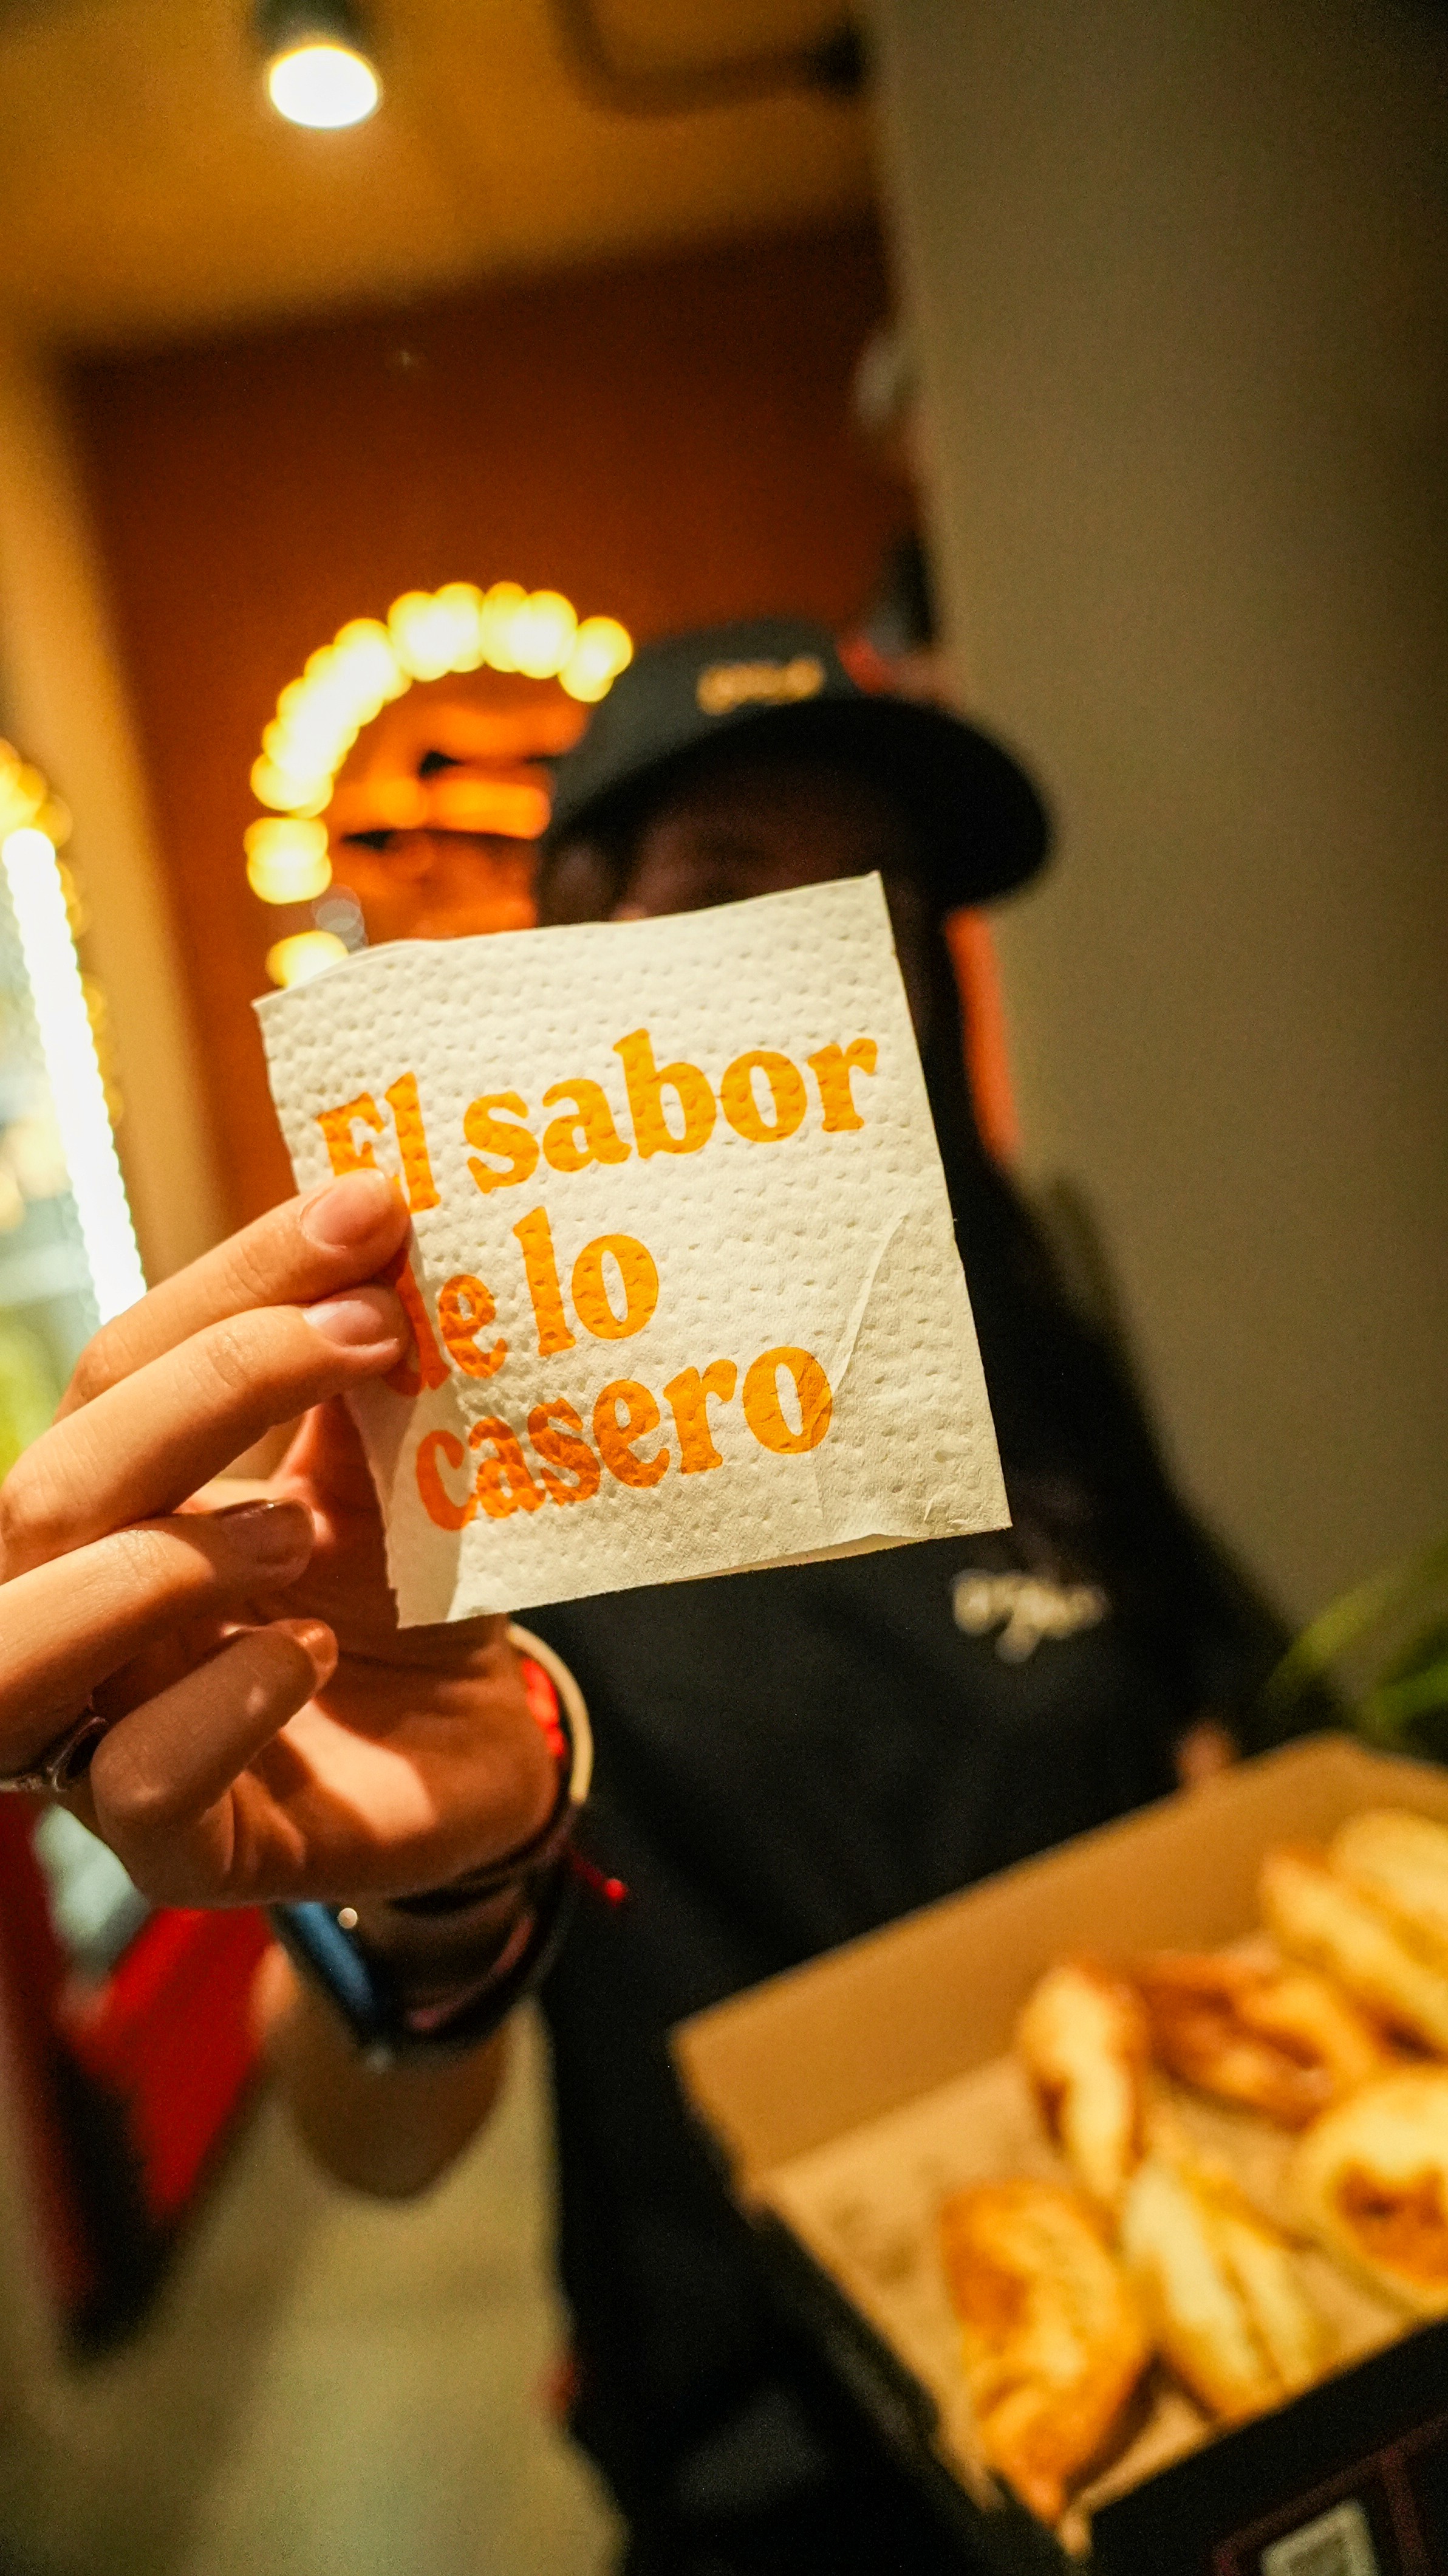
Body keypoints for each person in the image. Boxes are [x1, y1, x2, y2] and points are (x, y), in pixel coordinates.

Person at [0, 622, 1288, 2574]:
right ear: (577, 943)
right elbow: (381, 2143)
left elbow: (1201, 1726)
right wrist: (427, 1896)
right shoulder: (487, 1427)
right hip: (774, 2461)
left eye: (876, 906)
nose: (819, 974)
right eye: (728, 893)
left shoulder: (1026, 1302)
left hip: (1186, 2401)